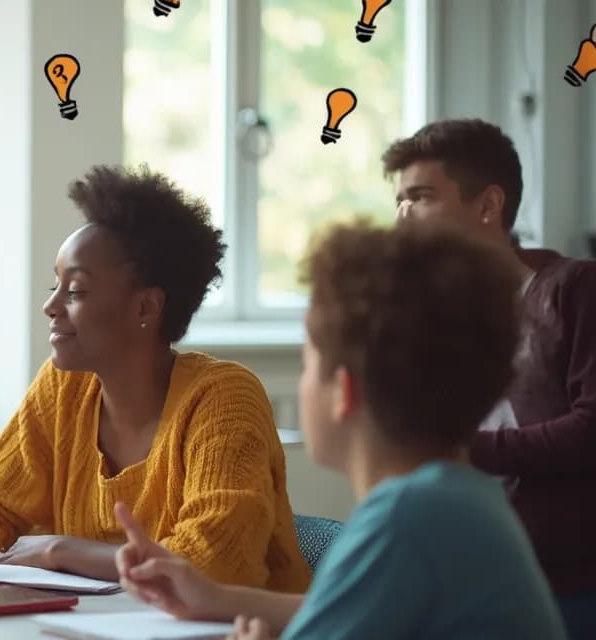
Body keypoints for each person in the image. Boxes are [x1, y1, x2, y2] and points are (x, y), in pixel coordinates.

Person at [114, 219, 567, 639]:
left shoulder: (406, 518)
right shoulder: (456, 496)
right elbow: (336, 610)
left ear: (344, 391)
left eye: (308, 364)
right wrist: (214, 598)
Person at [0, 165, 308, 592]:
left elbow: (213, 563)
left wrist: (63, 551)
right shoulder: (65, 387)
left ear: (145, 308)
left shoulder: (224, 398)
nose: (51, 306)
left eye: (76, 291)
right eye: (55, 286)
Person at [387, 118, 596, 637]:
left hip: (559, 587)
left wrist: (465, 450)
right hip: (451, 572)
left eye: (421, 197)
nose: (402, 216)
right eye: (398, 201)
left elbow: (591, 429)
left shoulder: (573, 289)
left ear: (487, 205)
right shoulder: (431, 318)